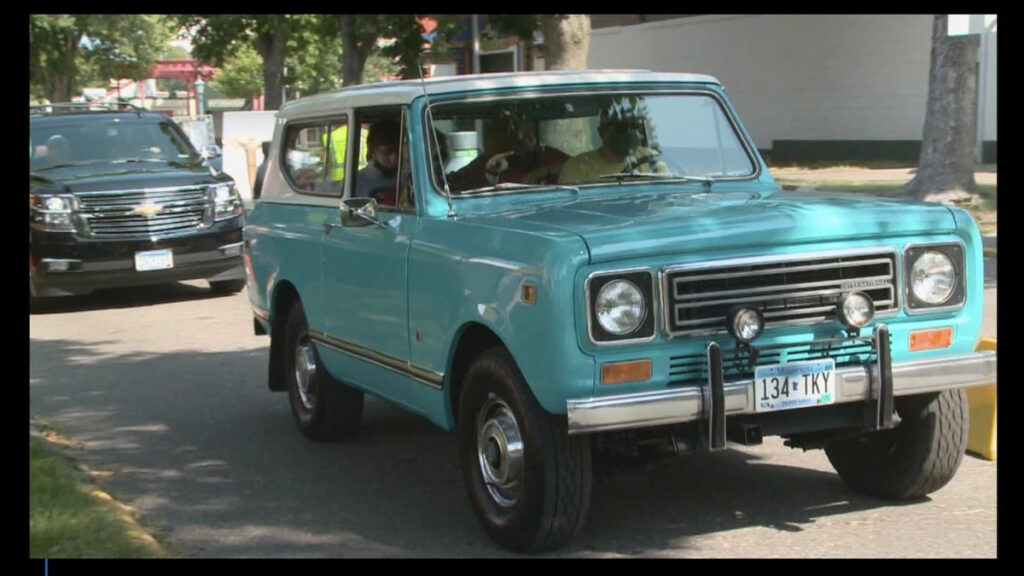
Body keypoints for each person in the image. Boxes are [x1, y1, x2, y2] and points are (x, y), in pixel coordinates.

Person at [557, 107, 667, 185]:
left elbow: (670, 196)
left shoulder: (651, 159)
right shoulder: (578, 167)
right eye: (621, 127)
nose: (628, 133)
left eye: (633, 127)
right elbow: (569, 212)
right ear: (602, 132)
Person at [355, 118, 401, 202]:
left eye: (398, 152)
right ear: (373, 151)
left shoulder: (406, 181)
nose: (395, 159)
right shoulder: (355, 183)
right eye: (387, 152)